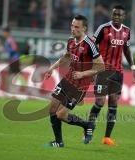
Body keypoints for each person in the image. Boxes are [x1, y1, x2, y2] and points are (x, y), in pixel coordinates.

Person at [44, 15, 104, 147]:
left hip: (80, 86)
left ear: (84, 28)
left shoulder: (90, 44)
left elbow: (101, 66)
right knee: (52, 109)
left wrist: (83, 73)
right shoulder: (71, 41)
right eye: (72, 25)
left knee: (61, 115)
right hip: (67, 80)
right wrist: (51, 68)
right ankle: (59, 142)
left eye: (76, 27)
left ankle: (87, 125)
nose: (73, 29)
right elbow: (66, 57)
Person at [86, 5, 135, 146]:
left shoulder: (126, 31)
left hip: (118, 72)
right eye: (114, 14)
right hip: (103, 71)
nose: (116, 17)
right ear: (111, 15)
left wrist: (132, 66)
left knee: (114, 103)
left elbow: (126, 49)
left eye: (119, 15)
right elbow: (91, 46)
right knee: (100, 102)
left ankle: (107, 138)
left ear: (123, 17)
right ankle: (88, 130)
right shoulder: (103, 28)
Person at [2, 26, 21, 91]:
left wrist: (8, 51)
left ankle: (8, 90)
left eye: (4, 32)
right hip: (13, 60)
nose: (3, 34)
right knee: (16, 75)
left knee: (10, 75)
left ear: (7, 32)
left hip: (14, 60)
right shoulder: (8, 40)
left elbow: (15, 48)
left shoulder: (10, 40)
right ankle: (10, 90)